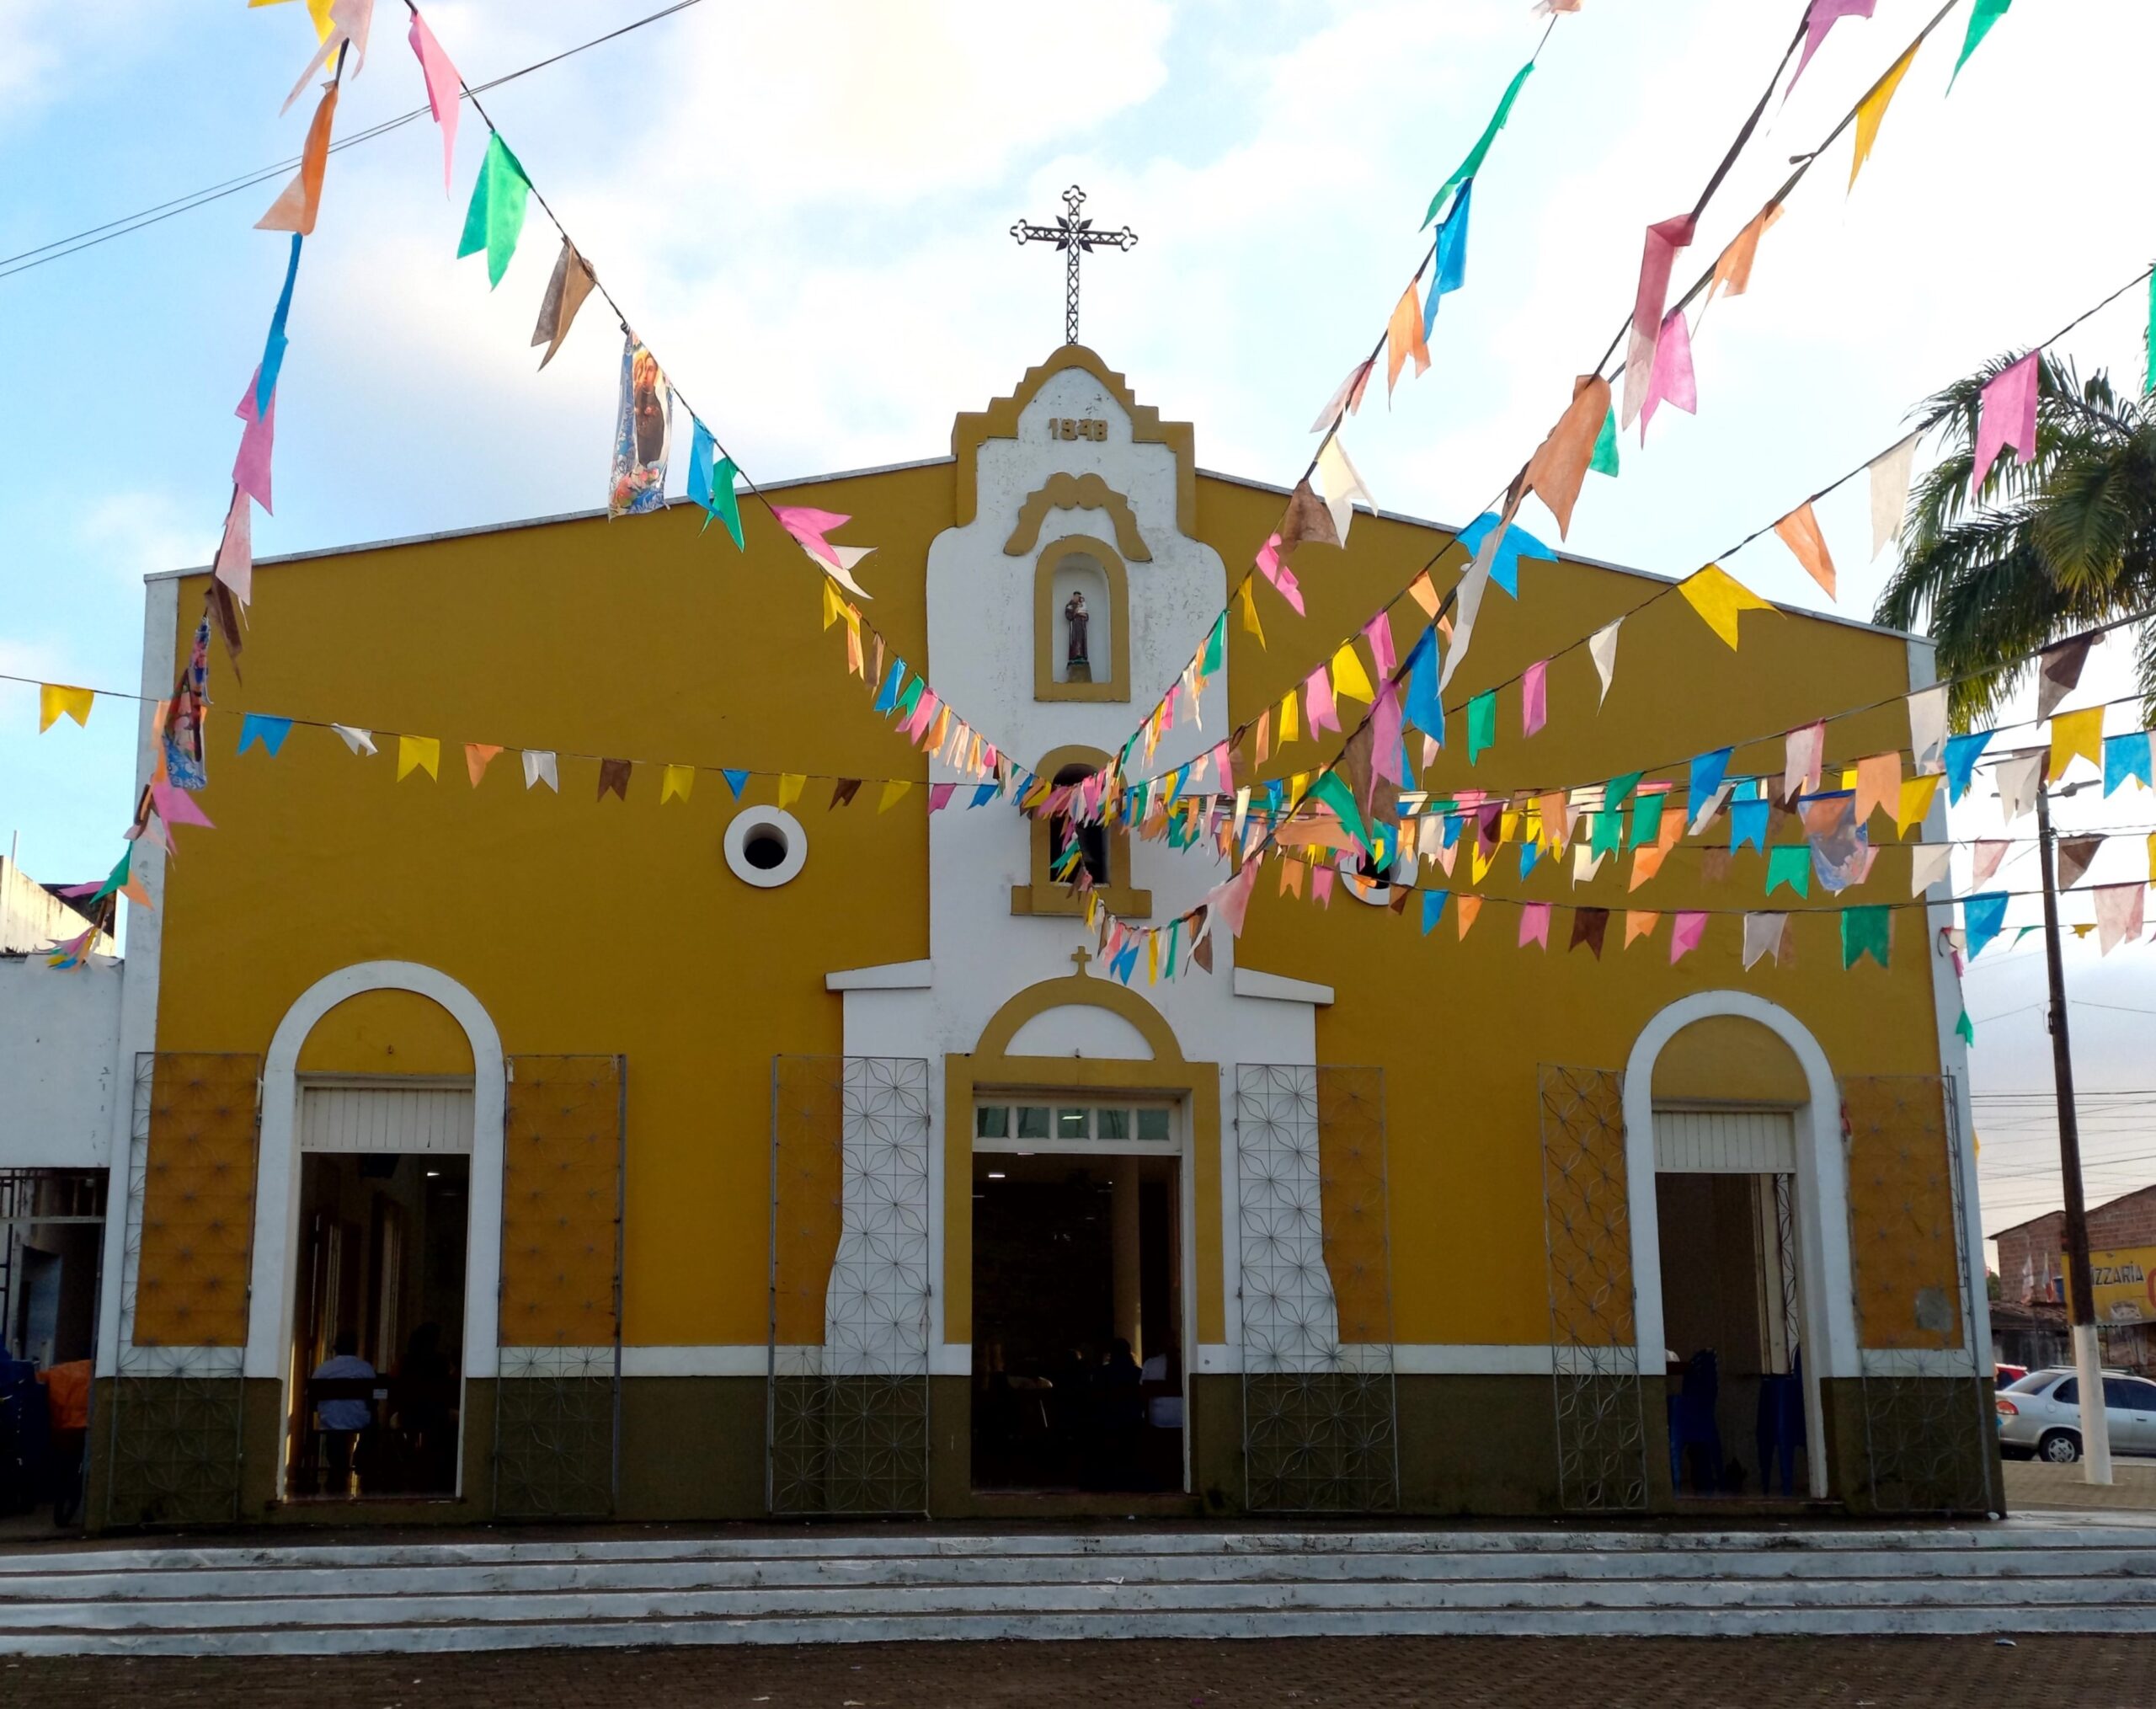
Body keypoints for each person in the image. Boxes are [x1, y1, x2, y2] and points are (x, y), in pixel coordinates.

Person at [312, 1331, 374, 1494]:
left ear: (335, 1348)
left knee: (335, 1432)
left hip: (329, 1420)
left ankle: (338, 1467)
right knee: (373, 1425)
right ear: (356, 1348)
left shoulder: (323, 1370)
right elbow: (372, 1401)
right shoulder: (365, 1369)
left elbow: (313, 1398)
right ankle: (361, 1460)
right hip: (359, 1420)